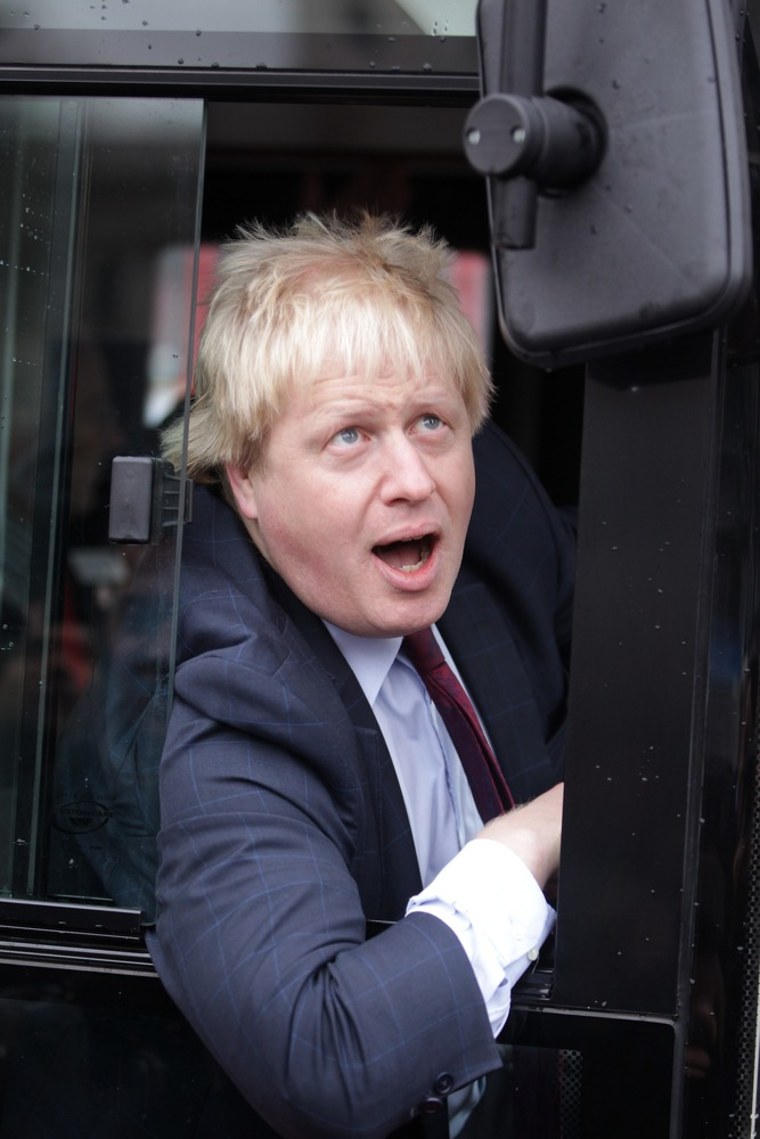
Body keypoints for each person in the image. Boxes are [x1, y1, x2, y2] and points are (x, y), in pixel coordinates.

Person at [149, 212, 574, 1139]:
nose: (412, 477)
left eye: (432, 421)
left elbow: (637, 676)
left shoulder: (490, 529)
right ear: (247, 477)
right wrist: (532, 838)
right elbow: (326, 1056)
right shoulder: (231, 691)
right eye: (349, 437)